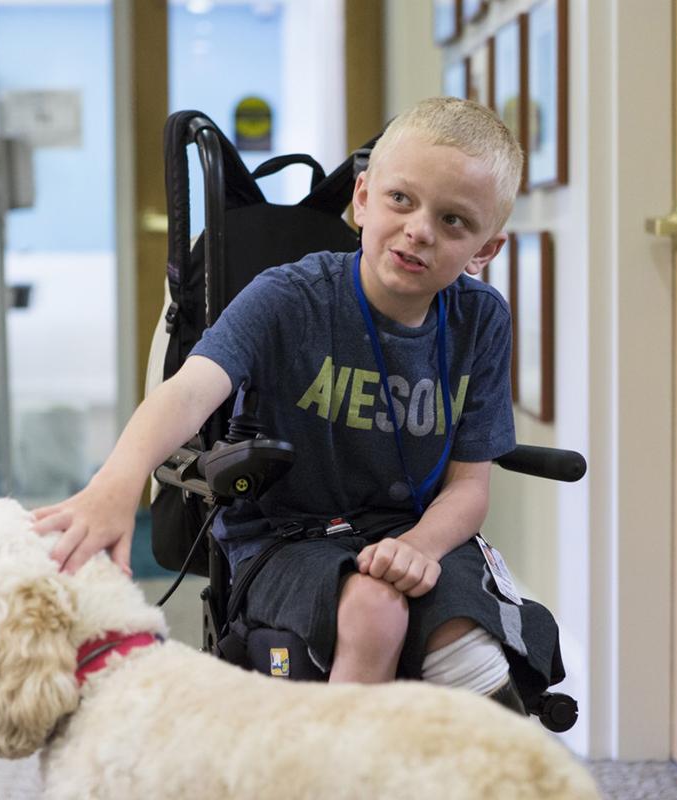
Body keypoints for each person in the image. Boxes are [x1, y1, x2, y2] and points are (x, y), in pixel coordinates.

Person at [32, 96, 563, 713]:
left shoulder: (481, 321)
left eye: (454, 221)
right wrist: (115, 484)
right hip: (284, 535)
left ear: (485, 250)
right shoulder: (289, 297)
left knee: (467, 643)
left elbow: (470, 488)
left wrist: (419, 544)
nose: (420, 228)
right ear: (362, 199)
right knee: (373, 609)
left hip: (415, 530)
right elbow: (189, 389)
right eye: (401, 200)